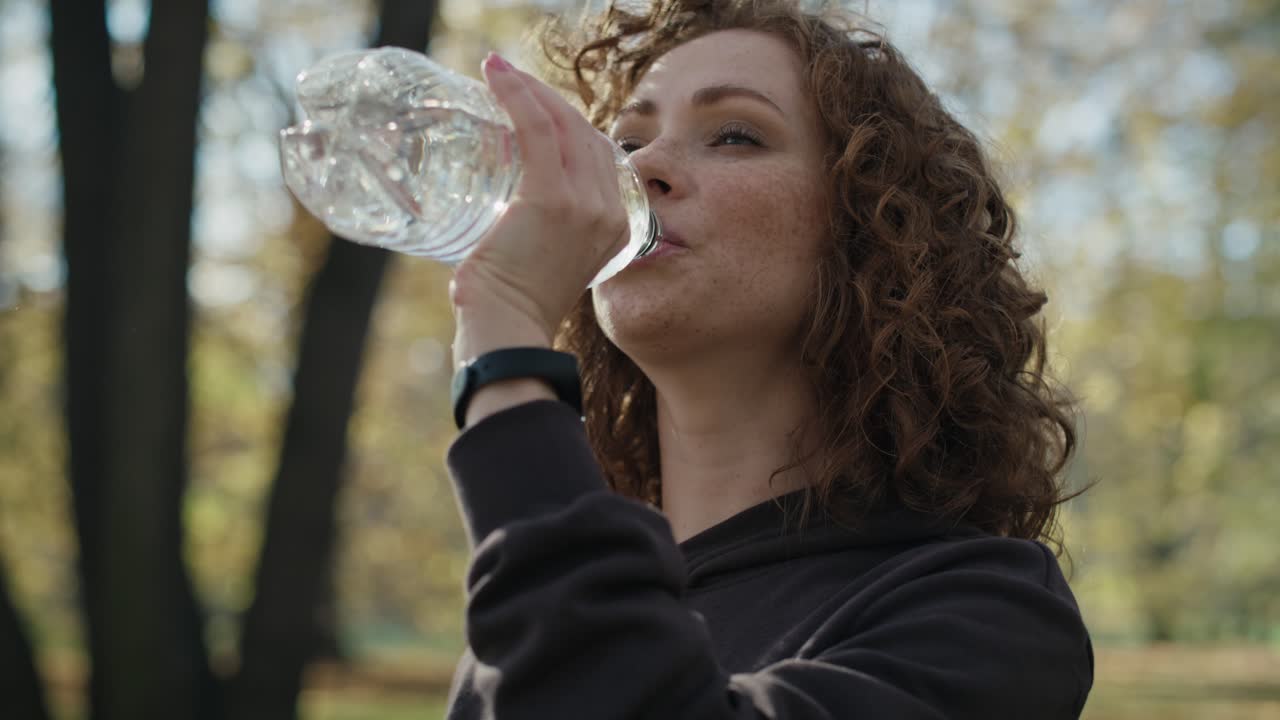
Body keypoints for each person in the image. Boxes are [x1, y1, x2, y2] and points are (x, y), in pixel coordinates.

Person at [442, 0, 1093, 717]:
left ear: (873, 229)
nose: (642, 166)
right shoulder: (535, 608)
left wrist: (503, 350)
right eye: (625, 143)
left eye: (733, 135)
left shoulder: (983, 616)